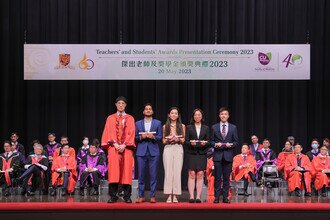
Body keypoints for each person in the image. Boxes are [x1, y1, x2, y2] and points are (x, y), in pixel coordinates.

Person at [101, 96, 136, 203]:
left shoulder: (130, 118)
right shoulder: (110, 118)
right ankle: (113, 195)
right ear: (116, 105)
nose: (121, 105)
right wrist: (115, 144)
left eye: (123, 103)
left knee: (126, 171)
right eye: (119, 103)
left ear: (125, 105)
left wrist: (124, 145)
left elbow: (131, 132)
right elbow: (108, 132)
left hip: (127, 148)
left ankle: (127, 196)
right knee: (114, 171)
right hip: (113, 147)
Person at [210, 107, 239, 204]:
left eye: (225, 114)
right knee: (217, 178)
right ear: (219, 115)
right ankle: (216, 197)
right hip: (217, 156)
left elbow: (236, 142)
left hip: (228, 155)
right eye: (222, 114)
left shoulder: (233, 127)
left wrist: (230, 144)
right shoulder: (214, 127)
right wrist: (215, 144)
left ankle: (226, 197)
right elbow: (211, 141)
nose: (224, 116)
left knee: (226, 178)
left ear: (228, 116)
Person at [135, 103, 162, 203]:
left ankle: (152, 196)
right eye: (146, 109)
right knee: (141, 175)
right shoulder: (138, 123)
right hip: (141, 151)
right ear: (143, 111)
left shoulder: (157, 123)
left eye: (150, 109)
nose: (148, 110)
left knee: (153, 175)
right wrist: (141, 137)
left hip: (153, 152)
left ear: (152, 111)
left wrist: (153, 137)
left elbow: (160, 137)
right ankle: (141, 196)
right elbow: (135, 137)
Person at [185, 108, 210, 203]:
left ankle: (198, 196)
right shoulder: (189, 127)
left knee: (200, 174)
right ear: (193, 116)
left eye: (199, 115)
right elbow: (186, 141)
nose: (197, 116)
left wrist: (205, 143)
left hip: (202, 153)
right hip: (192, 152)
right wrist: (191, 143)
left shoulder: (206, 128)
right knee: (191, 174)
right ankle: (191, 196)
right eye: (195, 115)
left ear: (201, 116)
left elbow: (208, 142)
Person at [162, 107, 185, 203]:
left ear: (178, 115)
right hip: (168, 148)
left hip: (178, 148)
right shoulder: (165, 126)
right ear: (169, 115)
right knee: (168, 171)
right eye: (172, 113)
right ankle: (168, 195)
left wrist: (178, 139)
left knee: (177, 171)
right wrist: (169, 139)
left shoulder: (182, 126)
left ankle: (175, 195)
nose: (174, 115)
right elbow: (163, 140)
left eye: (176, 113)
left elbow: (183, 140)